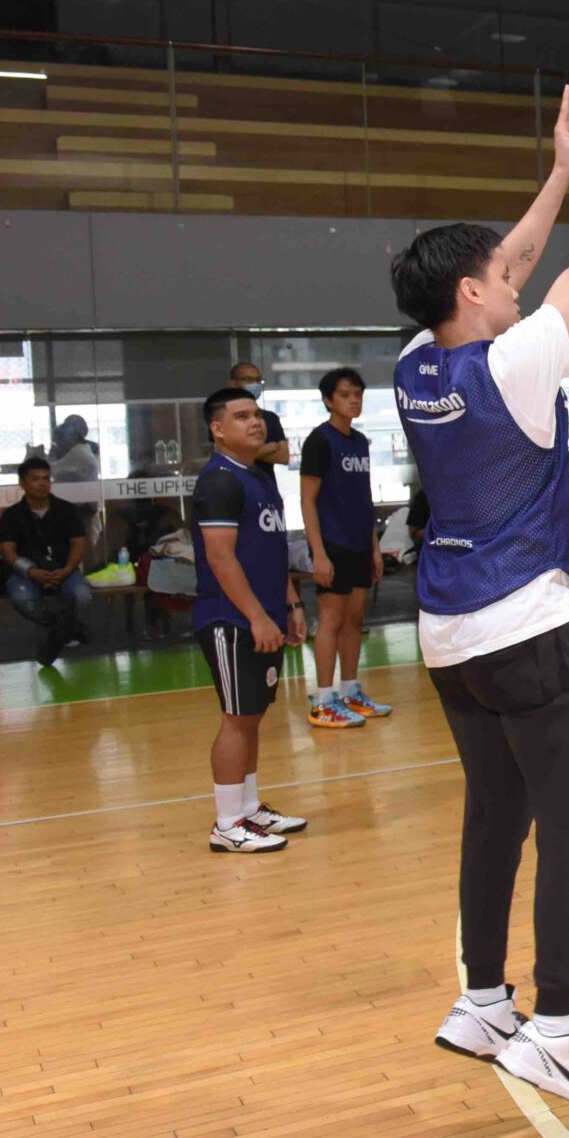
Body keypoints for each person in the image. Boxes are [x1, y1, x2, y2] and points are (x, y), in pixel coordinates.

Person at [394, 85, 569, 1106]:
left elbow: (521, 258)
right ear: (472, 292)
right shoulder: (517, 364)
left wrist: (556, 164)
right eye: (498, 275)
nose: (513, 276)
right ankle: (552, 1026)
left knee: (494, 811)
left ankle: (483, 998)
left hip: (447, 635)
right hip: (527, 624)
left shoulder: (417, 363)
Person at [195, 386, 310, 852]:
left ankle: (248, 809)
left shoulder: (259, 477)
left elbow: (272, 552)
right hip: (230, 619)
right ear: (217, 429)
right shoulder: (220, 480)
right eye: (241, 416)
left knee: (252, 717)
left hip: (264, 616)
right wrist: (259, 617)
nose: (255, 422)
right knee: (237, 719)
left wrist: (291, 605)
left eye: (257, 415)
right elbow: (222, 560)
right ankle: (226, 825)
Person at [300, 366, 390, 729]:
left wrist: (374, 547)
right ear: (328, 401)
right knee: (331, 621)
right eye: (345, 395)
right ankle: (323, 699)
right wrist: (318, 553)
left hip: (358, 545)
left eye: (358, 394)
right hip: (332, 545)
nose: (354, 400)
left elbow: (363, 498)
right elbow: (307, 501)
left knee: (355, 620)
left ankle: (350, 690)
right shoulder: (319, 441)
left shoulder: (360, 442)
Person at [0, 457, 91, 666]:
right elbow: (8, 551)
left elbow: (78, 543)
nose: (42, 483)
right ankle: (64, 626)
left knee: (82, 595)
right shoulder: (12, 515)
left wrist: (67, 569)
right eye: (35, 479)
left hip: (64, 570)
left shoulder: (66, 509)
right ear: (22, 483)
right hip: (27, 574)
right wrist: (31, 572)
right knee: (21, 597)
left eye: (46, 479)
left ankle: (61, 632)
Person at [229, 359, 294, 500]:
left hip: (267, 491)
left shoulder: (270, 418)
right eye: (248, 380)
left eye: (258, 380)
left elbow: (283, 457)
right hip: (236, 490)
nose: (255, 384)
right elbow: (228, 455)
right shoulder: (224, 417)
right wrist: (270, 447)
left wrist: (244, 452)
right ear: (233, 384)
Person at [48, 414, 105, 563]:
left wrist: (51, 458)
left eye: (59, 440)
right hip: (80, 502)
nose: (58, 443)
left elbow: (52, 471)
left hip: (82, 505)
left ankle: (88, 570)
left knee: (84, 543)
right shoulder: (79, 450)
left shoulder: (78, 453)